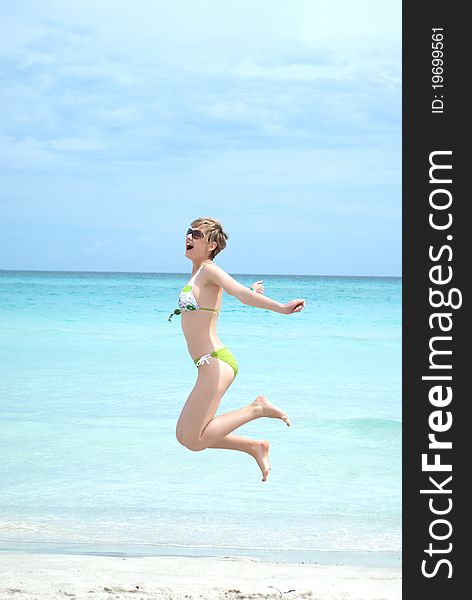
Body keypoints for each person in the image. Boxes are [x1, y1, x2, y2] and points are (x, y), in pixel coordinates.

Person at [169, 217, 305, 481]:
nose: (189, 238)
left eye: (196, 235)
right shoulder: (199, 274)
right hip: (206, 365)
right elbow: (219, 300)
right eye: (188, 232)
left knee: (195, 441)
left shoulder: (209, 270)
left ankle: (258, 409)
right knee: (183, 436)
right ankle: (254, 446)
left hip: (215, 364)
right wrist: (252, 290)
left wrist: (281, 308)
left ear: (210, 245)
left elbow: (240, 294)